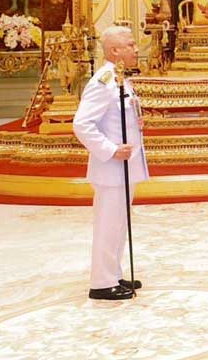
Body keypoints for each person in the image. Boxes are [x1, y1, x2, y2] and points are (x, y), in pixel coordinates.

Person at [72, 25, 149, 301]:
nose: (136, 49)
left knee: (118, 225)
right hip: (112, 168)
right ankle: (102, 283)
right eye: (130, 45)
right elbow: (82, 124)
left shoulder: (119, 78)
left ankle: (113, 274)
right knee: (108, 225)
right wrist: (111, 149)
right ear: (115, 50)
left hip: (124, 168)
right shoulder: (103, 81)